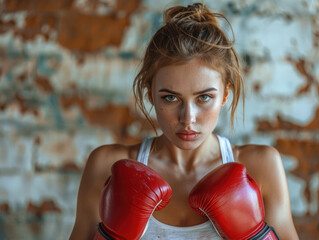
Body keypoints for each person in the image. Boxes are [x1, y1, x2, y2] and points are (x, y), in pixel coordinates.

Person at [69, 3, 299, 240]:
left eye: (204, 98)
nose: (187, 118)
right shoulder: (107, 165)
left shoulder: (260, 167)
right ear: (150, 94)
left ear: (225, 95)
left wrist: (255, 236)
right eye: (170, 97)